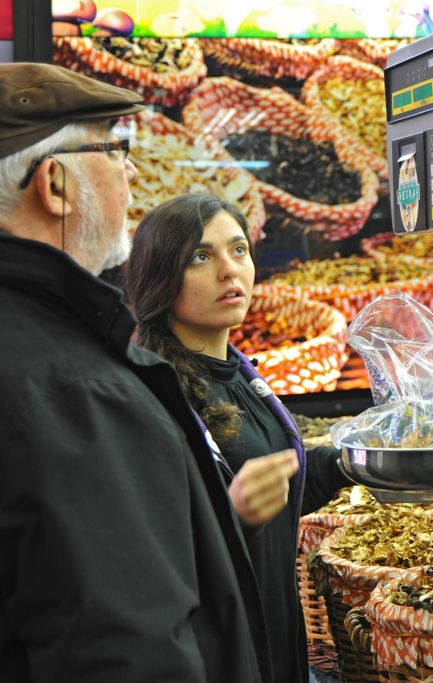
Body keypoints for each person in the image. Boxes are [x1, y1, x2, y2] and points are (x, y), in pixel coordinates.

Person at [0, 63, 273, 682]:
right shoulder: (76, 393)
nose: (131, 171)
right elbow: (128, 651)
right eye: (115, 149)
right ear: (56, 185)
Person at [124, 193, 353, 683]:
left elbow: (277, 484)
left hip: (276, 648)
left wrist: (357, 462)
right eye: (200, 257)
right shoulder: (147, 396)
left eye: (239, 250)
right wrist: (233, 515)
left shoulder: (238, 375)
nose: (230, 271)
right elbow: (139, 556)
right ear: (161, 278)